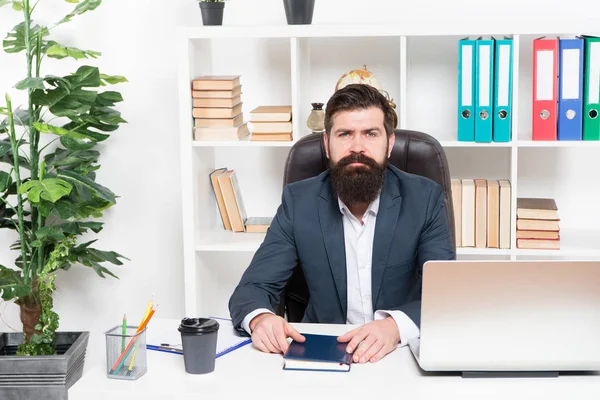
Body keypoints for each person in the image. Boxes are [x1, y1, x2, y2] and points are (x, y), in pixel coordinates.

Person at [228, 83, 456, 364]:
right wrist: (261, 318)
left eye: (370, 134)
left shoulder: (424, 199)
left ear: (390, 144)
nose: (357, 147)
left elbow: (446, 296)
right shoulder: (299, 202)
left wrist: (395, 326)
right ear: (327, 144)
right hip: (322, 350)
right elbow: (252, 289)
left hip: (397, 354)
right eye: (345, 134)